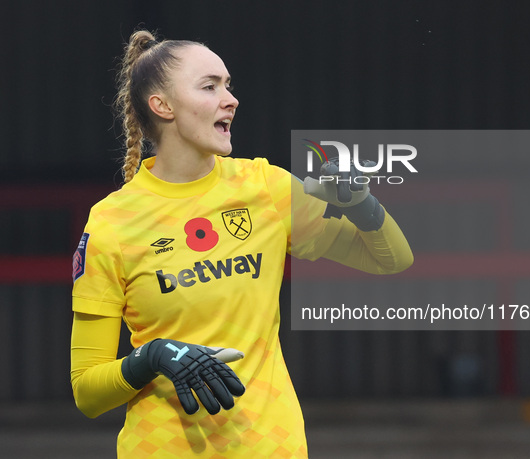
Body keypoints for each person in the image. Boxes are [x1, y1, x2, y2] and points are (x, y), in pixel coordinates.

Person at [70, 29, 414, 458]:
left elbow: (392, 260)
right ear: (163, 106)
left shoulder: (267, 188)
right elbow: (87, 392)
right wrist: (153, 357)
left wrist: (364, 206)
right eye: (210, 86)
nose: (230, 99)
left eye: (228, 85)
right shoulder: (111, 223)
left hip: (271, 447)